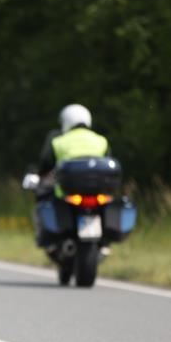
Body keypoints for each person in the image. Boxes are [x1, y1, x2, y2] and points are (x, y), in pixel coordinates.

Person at [34, 104, 111, 246]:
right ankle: (104, 243)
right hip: (97, 193)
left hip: (66, 193)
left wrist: (40, 177)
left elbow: (45, 164)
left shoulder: (58, 141)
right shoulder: (101, 140)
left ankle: (47, 238)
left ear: (66, 122)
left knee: (43, 197)